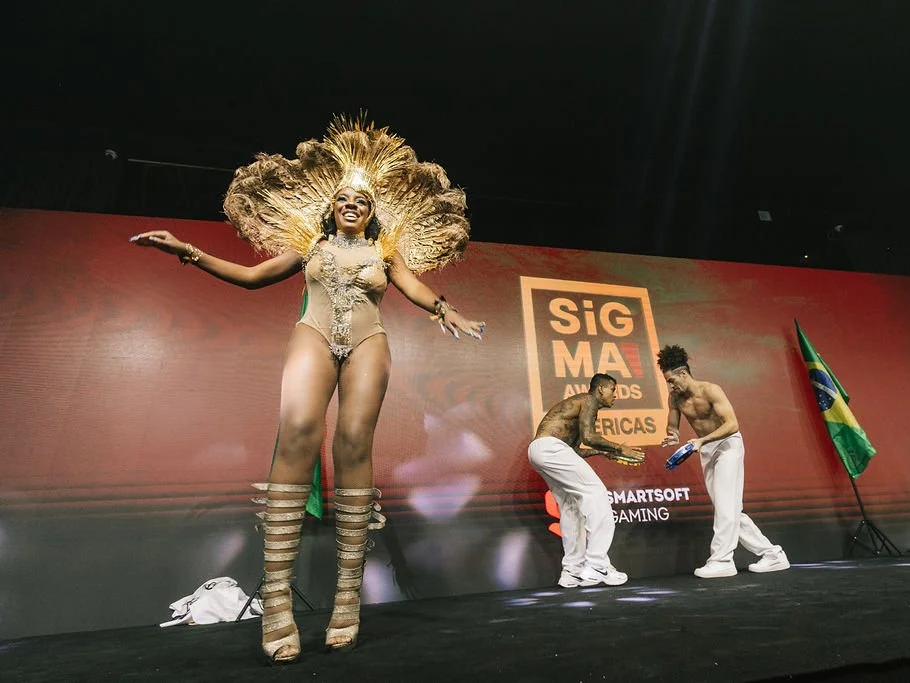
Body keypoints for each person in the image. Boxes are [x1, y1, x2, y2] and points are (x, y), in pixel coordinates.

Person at [132, 117, 485, 664]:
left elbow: (414, 286)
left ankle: (348, 600)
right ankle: (276, 602)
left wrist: (445, 308)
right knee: (297, 430)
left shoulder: (384, 254)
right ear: (330, 207)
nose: (352, 204)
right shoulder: (309, 246)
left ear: (372, 213)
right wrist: (187, 250)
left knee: (353, 443)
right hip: (314, 336)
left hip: (369, 341)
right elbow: (252, 278)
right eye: (343, 198)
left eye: (362, 201)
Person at [657, 345, 789, 579]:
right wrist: (673, 434)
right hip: (706, 449)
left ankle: (722, 560)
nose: (670, 385)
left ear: (683, 374)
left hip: (728, 445)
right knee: (728, 508)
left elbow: (732, 425)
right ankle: (772, 554)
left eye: (671, 380)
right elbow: (673, 423)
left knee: (727, 507)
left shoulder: (711, 390)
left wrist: (701, 441)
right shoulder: (675, 398)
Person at [528, 374, 646, 588]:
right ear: (600, 389)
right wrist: (619, 447)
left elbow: (573, 450)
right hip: (552, 449)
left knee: (571, 507)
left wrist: (603, 453)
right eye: (613, 390)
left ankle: (572, 571)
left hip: (541, 450)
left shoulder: (579, 405)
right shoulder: (589, 400)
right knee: (597, 493)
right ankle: (597, 563)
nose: (615, 395)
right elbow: (590, 436)